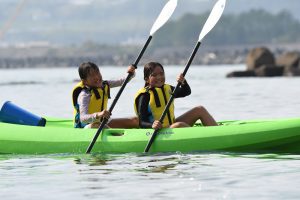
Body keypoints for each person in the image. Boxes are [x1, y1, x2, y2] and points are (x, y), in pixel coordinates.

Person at [134, 61, 218, 130]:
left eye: (161, 74)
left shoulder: (168, 88)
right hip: (157, 131)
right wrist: (152, 125)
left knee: (200, 109)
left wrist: (183, 82)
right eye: (154, 75)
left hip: (171, 125)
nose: (159, 77)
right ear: (146, 79)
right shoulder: (144, 95)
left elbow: (186, 92)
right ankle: (204, 137)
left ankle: (217, 133)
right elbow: (142, 122)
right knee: (179, 125)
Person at [72, 62, 138, 129]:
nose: (96, 77)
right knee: (97, 125)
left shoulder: (105, 84)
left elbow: (123, 81)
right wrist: (98, 115)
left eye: (97, 73)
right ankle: (116, 135)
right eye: (92, 75)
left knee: (135, 120)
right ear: (85, 81)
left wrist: (131, 73)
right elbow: (83, 118)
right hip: (87, 126)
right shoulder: (85, 95)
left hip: (103, 122)